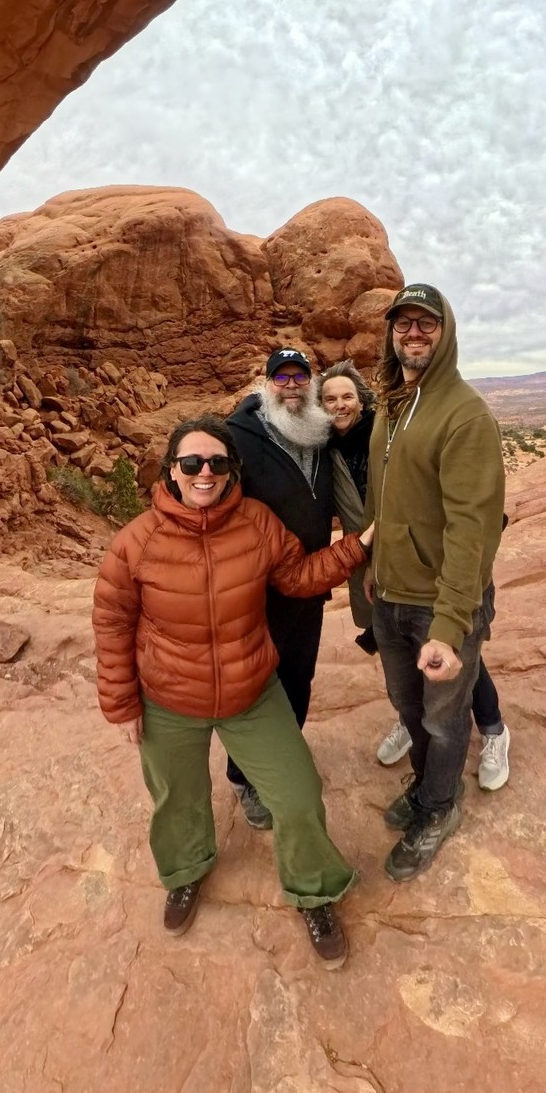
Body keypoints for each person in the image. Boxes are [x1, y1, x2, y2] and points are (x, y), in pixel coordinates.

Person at [93, 415, 373, 967]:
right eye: (191, 462)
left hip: (252, 693)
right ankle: (185, 871)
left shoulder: (257, 524)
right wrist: (122, 704)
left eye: (216, 462)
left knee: (297, 795)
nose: (205, 472)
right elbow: (112, 623)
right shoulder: (136, 543)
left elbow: (298, 577)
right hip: (170, 700)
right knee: (178, 799)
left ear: (231, 471)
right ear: (171, 472)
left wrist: (357, 547)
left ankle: (314, 890)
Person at [367, 283, 507, 882]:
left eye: (426, 323)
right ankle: (428, 784)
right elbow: (386, 502)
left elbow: (472, 529)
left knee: (443, 719)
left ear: (445, 333)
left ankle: (440, 806)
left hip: (439, 606)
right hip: (390, 596)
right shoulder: (393, 405)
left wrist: (450, 626)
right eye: (403, 323)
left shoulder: (464, 414)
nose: (414, 333)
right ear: (391, 333)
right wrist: (375, 571)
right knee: (408, 706)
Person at [323, 360, 512, 792]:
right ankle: (413, 722)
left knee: (454, 648)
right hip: (375, 561)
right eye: (330, 399)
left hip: (426, 561)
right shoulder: (327, 448)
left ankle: (494, 730)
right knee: (399, 646)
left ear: (361, 400)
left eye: (347, 396)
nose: (340, 405)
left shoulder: (390, 426)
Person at [221, 348, 337, 830]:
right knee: (253, 685)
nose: (291, 385)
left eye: (300, 376)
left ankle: (285, 753)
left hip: (311, 584)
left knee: (298, 677)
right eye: (282, 377)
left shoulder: (320, 430)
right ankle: (243, 777)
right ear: (267, 383)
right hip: (259, 588)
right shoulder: (240, 435)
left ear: (311, 383)